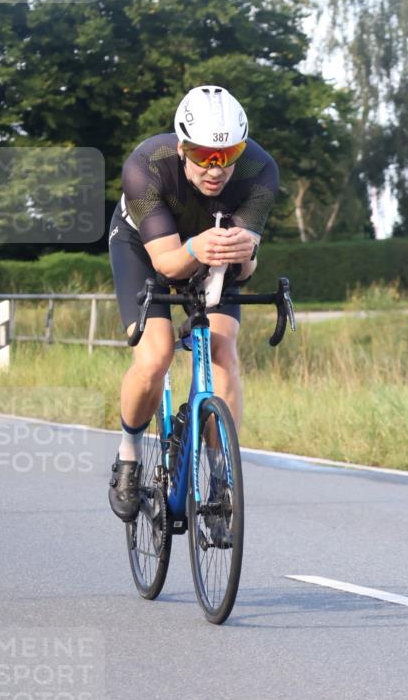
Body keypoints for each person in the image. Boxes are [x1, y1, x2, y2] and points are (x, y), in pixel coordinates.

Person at [107, 86, 279, 521]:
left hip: (212, 250)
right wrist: (200, 248)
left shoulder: (260, 170)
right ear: (182, 147)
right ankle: (128, 454)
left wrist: (243, 255)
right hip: (144, 249)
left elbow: (244, 269)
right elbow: (167, 262)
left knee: (223, 351)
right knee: (156, 355)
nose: (216, 168)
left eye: (228, 152)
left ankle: (222, 480)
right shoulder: (144, 167)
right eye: (204, 154)